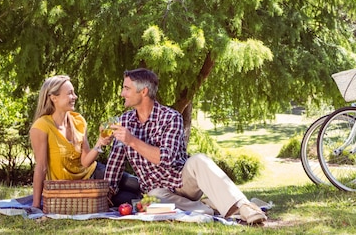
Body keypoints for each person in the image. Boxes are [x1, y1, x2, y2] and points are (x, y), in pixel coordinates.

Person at [104, 68, 267, 224]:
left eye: (126, 88)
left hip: (182, 181)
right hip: (160, 193)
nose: (122, 93)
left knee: (199, 160)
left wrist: (132, 140)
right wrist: (106, 194)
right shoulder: (124, 121)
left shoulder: (170, 117)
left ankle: (245, 207)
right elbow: (115, 163)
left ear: (144, 91)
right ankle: (209, 207)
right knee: (152, 198)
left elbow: (166, 159)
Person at [29, 75, 141, 209]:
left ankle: (169, 192)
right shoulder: (41, 126)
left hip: (95, 172)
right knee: (134, 198)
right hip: (76, 188)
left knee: (138, 185)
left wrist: (100, 142)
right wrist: (36, 205)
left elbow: (85, 161)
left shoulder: (78, 121)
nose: (75, 96)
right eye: (70, 93)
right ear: (54, 98)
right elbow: (41, 167)